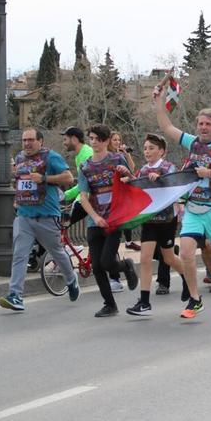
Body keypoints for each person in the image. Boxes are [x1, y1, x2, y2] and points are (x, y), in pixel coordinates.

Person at [155, 87, 211, 319]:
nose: (203, 127)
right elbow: (167, 128)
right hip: (193, 207)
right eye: (200, 123)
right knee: (186, 253)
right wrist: (159, 101)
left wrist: (209, 173)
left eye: (207, 124)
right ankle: (195, 298)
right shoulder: (192, 143)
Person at [0, 128, 79, 310]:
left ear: (40, 141)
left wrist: (44, 178)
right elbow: (21, 181)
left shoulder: (51, 157)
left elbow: (68, 178)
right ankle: (15, 296)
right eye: (24, 140)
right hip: (24, 216)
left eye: (31, 140)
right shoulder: (19, 158)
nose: (27, 143)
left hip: (47, 216)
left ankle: (71, 279)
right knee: (19, 255)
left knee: (56, 251)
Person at [77, 124, 139, 317]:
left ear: (105, 141)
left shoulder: (116, 159)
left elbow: (132, 182)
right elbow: (84, 197)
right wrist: (94, 217)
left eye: (97, 139)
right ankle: (110, 305)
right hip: (94, 221)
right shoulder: (85, 166)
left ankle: (125, 266)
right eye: (91, 139)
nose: (93, 142)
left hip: (115, 218)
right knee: (96, 266)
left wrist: (126, 173)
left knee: (106, 262)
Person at [126, 134, 190, 316]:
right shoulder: (142, 170)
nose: (147, 152)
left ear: (161, 151)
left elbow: (175, 183)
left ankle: (188, 280)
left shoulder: (168, 166)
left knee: (169, 259)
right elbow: (137, 187)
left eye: (151, 148)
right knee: (145, 259)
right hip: (149, 221)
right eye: (145, 148)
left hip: (167, 220)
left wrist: (161, 177)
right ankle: (144, 302)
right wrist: (127, 181)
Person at [109, 131, 141, 253]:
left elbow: (132, 168)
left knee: (127, 214)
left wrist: (127, 154)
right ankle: (119, 242)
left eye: (119, 140)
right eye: (114, 140)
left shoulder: (120, 155)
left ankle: (128, 241)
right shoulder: (109, 156)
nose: (117, 142)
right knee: (120, 215)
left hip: (124, 186)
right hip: (116, 187)